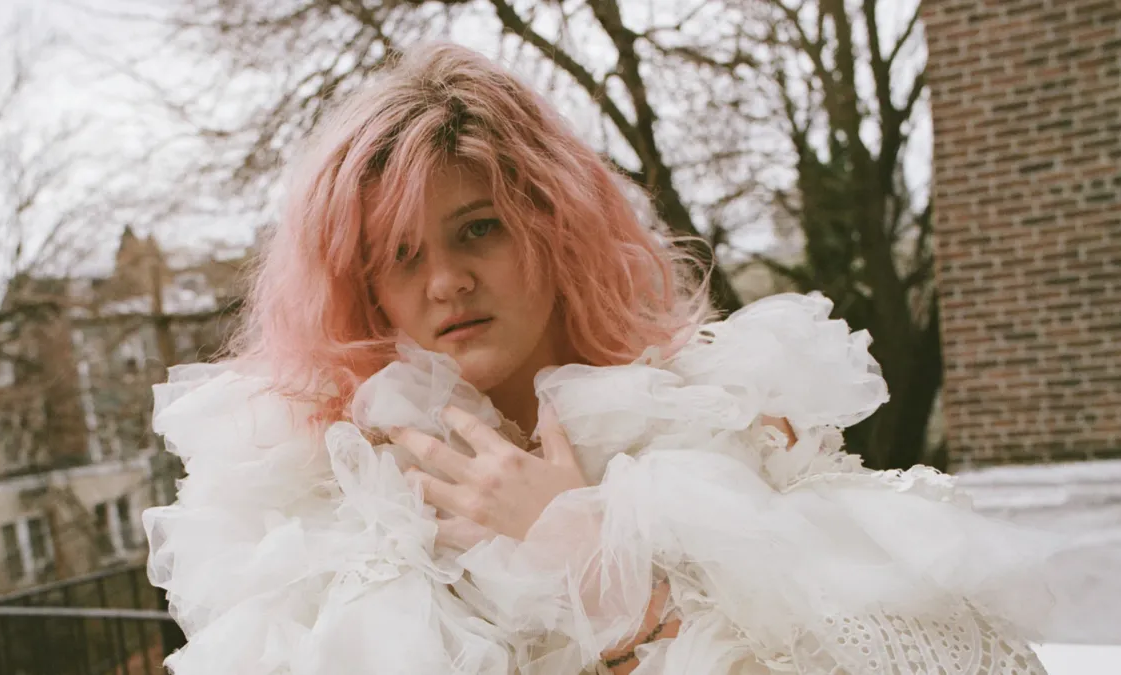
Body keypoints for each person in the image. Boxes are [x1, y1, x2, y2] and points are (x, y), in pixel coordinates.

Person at [142, 43, 1058, 675]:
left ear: (552, 225)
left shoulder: (716, 420)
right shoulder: (332, 498)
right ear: (363, 287)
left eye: (478, 228)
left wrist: (614, 585)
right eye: (401, 254)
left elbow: (974, 663)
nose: (447, 281)